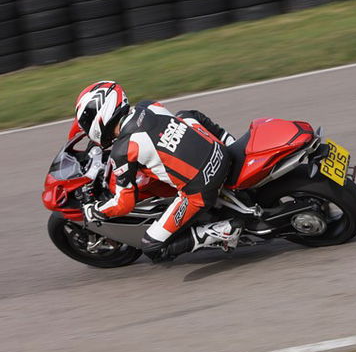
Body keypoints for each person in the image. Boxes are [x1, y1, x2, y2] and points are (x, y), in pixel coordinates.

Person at [74, 81, 241, 262]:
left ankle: (222, 231)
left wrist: (95, 211)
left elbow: (124, 204)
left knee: (151, 246)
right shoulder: (148, 105)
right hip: (221, 152)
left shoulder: (123, 150)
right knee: (186, 115)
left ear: (100, 115)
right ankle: (231, 143)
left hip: (201, 189)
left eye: (86, 120)